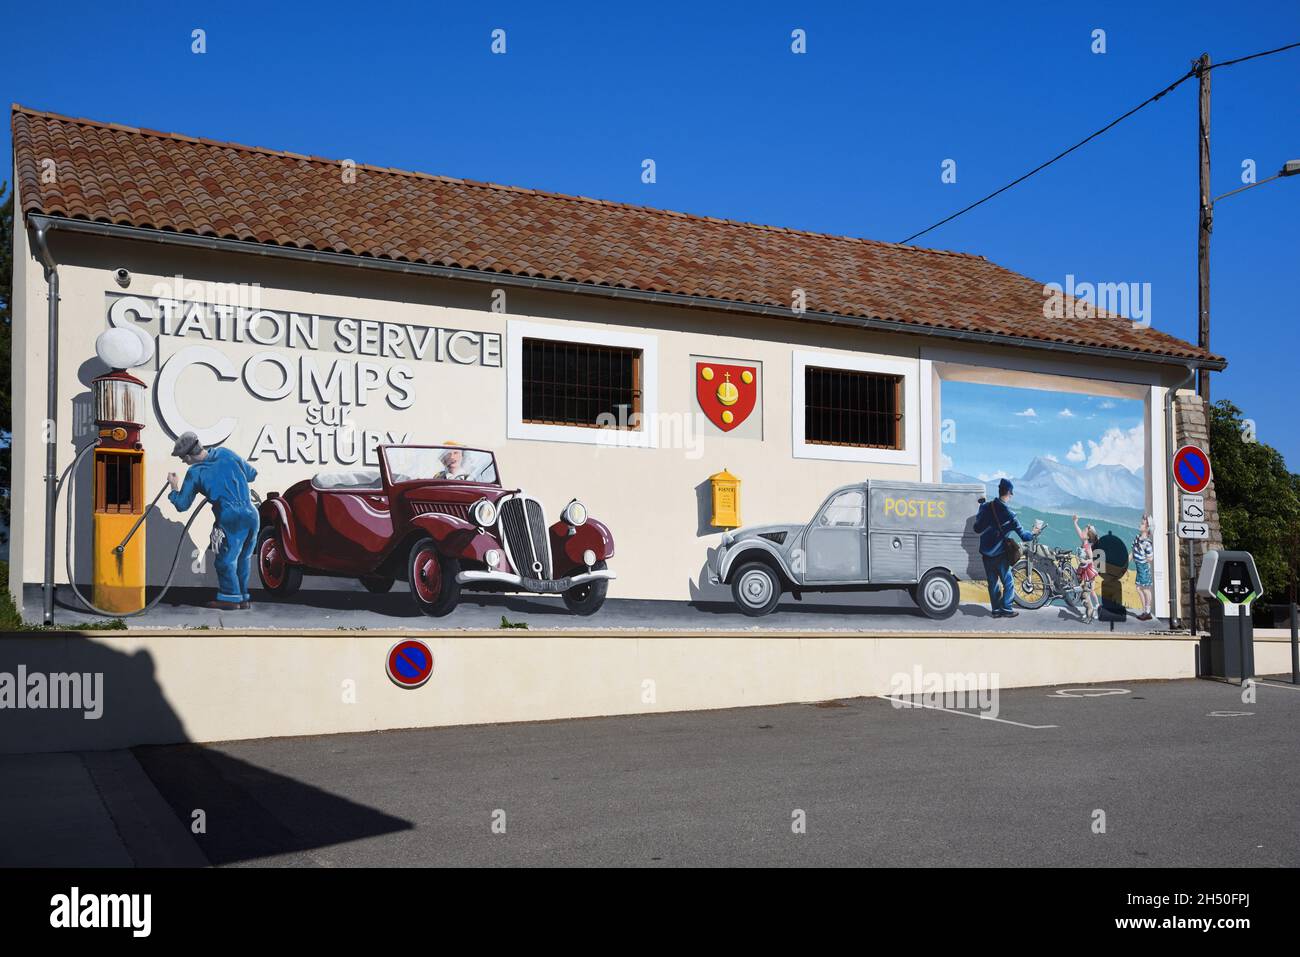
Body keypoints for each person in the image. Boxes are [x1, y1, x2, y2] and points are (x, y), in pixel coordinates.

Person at [167, 432, 259, 611]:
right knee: (243, 558)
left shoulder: (194, 472)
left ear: (187, 456)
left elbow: (182, 505)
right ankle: (243, 598)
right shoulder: (225, 453)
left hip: (230, 517)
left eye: (183, 459)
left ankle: (230, 599)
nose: (184, 462)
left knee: (225, 560)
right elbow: (252, 474)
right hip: (251, 514)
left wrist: (173, 486)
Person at [973, 478, 1035, 618]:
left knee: (992, 583)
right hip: (1000, 554)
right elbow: (1024, 536)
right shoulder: (1010, 515)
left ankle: (995, 610)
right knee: (1008, 582)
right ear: (1009, 493)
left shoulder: (985, 507)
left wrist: (980, 510)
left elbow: (977, 528)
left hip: (986, 553)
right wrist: (1034, 533)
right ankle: (1006, 608)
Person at [1072, 514, 1101, 623]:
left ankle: (1096, 608)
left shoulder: (1087, 546)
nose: (1082, 533)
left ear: (1088, 537)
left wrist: (1085, 561)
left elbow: (1092, 559)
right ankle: (1089, 609)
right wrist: (1075, 522)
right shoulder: (1084, 541)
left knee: (1090, 591)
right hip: (1084, 570)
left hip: (1089, 571)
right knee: (1087, 591)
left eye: (1084, 531)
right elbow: (1078, 532)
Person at [1132, 515, 1155, 621]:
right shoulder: (1137, 538)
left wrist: (1143, 559)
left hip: (1143, 567)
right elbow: (1132, 551)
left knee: (1145, 588)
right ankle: (1145, 611)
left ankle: (1147, 611)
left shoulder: (1147, 543)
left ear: (1147, 528)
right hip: (1139, 566)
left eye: (1142, 524)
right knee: (1139, 588)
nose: (1140, 525)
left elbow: (1150, 557)